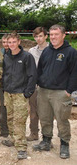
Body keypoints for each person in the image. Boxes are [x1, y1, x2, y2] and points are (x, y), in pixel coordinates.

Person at [33, 24, 77, 159]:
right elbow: (40, 69)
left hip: (61, 93)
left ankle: (64, 144)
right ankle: (46, 141)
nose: (53, 37)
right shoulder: (46, 51)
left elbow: (75, 73)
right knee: (45, 118)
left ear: (63, 35)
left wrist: (69, 91)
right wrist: (39, 84)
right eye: (51, 34)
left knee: (62, 120)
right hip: (44, 91)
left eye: (56, 34)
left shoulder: (71, 52)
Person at [1, 32, 37, 160]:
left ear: (19, 42)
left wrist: (27, 92)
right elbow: (4, 73)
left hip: (20, 94)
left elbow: (32, 75)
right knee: (10, 118)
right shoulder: (6, 56)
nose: (11, 44)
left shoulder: (27, 56)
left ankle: (21, 148)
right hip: (8, 93)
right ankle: (13, 139)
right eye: (9, 42)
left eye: (14, 42)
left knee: (19, 121)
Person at [26, 27, 49, 141]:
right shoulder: (31, 51)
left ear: (46, 36)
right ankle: (34, 133)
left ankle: (47, 137)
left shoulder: (52, 49)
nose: (38, 38)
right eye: (36, 36)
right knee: (33, 112)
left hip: (48, 87)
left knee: (46, 113)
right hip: (35, 86)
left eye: (40, 36)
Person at [0, 34, 10, 137]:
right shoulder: (0, 53)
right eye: (3, 42)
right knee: (2, 109)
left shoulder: (16, 53)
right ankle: (4, 130)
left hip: (12, 86)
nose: (6, 44)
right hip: (2, 85)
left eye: (7, 42)